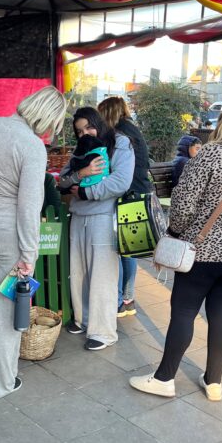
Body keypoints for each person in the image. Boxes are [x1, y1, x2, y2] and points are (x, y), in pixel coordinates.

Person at [129, 104, 222, 401]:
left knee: (184, 310)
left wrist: (175, 232)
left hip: (204, 250)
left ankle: (164, 378)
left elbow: (183, 205)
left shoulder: (210, 154)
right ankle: (214, 382)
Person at [0, 86, 66, 398]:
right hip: (6, 230)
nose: (50, 131)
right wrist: (29, 253)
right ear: (47, 117)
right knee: (5, 310)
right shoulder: (32, 146)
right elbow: (29, 205)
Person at [58, 107, 134, 350]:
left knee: (102, 275)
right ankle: (83, 319)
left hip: (104, 215)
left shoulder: (120, 143)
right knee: (79, 271)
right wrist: (81, 174)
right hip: (79, 216)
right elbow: (63, 179)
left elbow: (121, 181)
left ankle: (103, 331)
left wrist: (84, 192)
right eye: (79, 131)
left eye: (89, 127)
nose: (85, 134)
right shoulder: (82, 148)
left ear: (99, 123)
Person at [98, 96, 151, 318]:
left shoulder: (117, 134)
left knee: (120, 251)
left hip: (127, 195)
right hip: (140, 192)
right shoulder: (133, 130)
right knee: (129, 251)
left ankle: (118, 301)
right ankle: (127, 299)